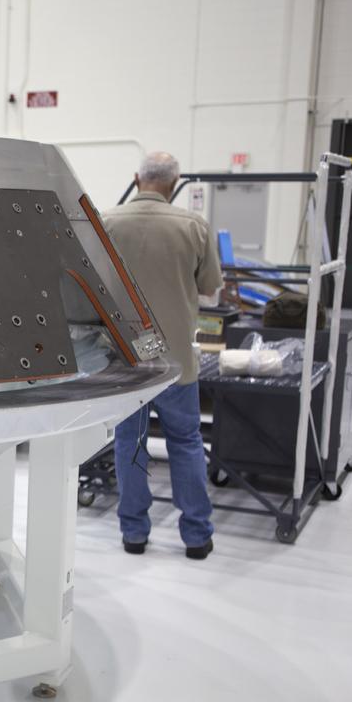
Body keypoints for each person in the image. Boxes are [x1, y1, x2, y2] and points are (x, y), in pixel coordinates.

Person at [103, 151, 223, 559]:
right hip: (175, 361)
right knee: (186, 442)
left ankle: (134, 534)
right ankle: (195, 537)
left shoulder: (107, 222)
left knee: (130, 443)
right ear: (174, 184)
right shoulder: (194, 226)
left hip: (127, 360)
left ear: (137, 179)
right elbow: (210, 287)